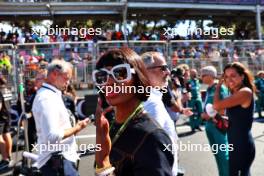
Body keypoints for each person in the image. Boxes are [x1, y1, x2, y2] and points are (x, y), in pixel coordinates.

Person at [94, 48, 174, 176]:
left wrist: (103, 164)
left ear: (138, 78)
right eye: (102, 76)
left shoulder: (152, 137)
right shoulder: (111, 125)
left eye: (120, 73)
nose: (109, 82)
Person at [32, 59, 90, 176]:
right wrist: (77, 127)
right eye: (66, 78)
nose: (68, 82)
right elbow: (52, 136)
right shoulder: (47, 98)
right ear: (54, 74)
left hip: (59, 160)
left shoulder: (51, 95)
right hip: (57, 162)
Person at [213, 62, 255, 176]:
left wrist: (217, 87)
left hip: (242, 145)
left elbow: (216, 106)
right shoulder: (235, 92)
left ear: (242, 76)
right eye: (226, 76)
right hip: (234, 143)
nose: (229, 79)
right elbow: (224, 111)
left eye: (233, 75)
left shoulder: (245, 92)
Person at [200, 66, 229, 176]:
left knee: (223, 154)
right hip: (210, 125)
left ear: (211, 76)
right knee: (217, 154)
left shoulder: (219, 88)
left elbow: (223, 109)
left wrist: (209, 116)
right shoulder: (208, 88)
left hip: (218, 125)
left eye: (204, 75)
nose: (201, 77)